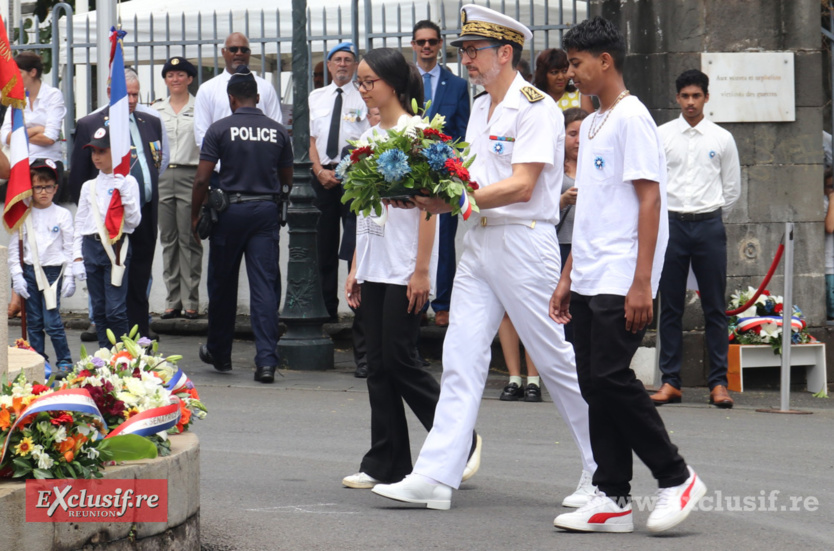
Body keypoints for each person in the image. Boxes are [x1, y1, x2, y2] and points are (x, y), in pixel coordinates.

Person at [372, 5, 596, 511]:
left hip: (522, 240)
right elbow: (467, 178)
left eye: (474, 51)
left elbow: (521, 186)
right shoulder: (478, 107)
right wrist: (423, 190)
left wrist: (450, 199)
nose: (466, 60)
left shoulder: (536, 107)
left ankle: (601, 466)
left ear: (506, 53)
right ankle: (436, 473)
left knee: (556, 361)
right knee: (461, 357)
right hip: (478, 240)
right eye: (465, 51)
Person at [551, 16, 706, 533]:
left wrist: (643, 280)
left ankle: (676, 476)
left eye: (576, 64)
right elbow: (592, 207)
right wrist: (569, 273)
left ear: (605, 61)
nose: (571, 74)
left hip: (623, 273)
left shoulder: (632, 117)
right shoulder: (594, 122)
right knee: (594, 381)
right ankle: (613, 495)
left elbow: (650, 199)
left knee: (614, 377)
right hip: (592, 270)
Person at [341, 47, 480, 491]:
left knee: (401, 359)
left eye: (368, 82)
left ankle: (462, 439)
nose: (362, 90)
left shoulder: (419, 134)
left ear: (393, 85)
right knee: (376, 365)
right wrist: (356, 267)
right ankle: (387, 462)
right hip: (375, 264)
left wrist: (422, 271)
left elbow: (430, 209)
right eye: (359, 82)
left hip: (406, 267)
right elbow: (365, 213)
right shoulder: (367, 138)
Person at [192, 65, 293, 384]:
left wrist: (195, 214)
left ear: (231, 99)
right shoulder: (277, 130)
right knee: (264, 287)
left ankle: (220, 353)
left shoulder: (219, 129)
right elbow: (287, 176)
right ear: (258, 97)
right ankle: (266, 362)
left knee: (222, 285)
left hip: (229, 212)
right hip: (264, 212)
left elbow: (202, 178)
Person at [651, 69, 741, 409]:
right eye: (685, 96)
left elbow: (731, 190)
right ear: (677, 98)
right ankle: (670, 381)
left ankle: (718, 383)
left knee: (715, 307)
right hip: (671, 225)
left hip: (708, 226)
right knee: (670, 307)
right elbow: (654, 183)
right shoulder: (661, 136)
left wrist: (709, 216)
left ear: (706, 97)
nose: (690, 102)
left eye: (696, 96)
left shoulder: (721, 138)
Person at [69, 68, 165, 341]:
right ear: (111, 93)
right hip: (107, 219)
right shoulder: (91, 123)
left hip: (142, 210)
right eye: (127, 94)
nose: (132, 100)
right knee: (110, 279)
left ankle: (139, 329)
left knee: (141, 273)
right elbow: (78, 175)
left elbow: (158, 161)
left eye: (136, 94)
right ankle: (110, 336)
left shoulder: (151, 121)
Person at [411, 20, 470, 328]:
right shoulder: (405, 82)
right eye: (421, 41)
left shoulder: (457, 85)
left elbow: (462, 133)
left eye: (432, 41)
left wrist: (453, 168)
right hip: (408, 173)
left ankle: (443, 303)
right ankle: (416, 303)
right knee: (412, 239)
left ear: (439, 45)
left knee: (444, 240)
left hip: (443, 174)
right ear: (413, 45)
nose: (426, 47)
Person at [308, 42, 369, 322]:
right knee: (324, 245)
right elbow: (309, 140)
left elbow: (369, 141)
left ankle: (358, 308)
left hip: (354, 180)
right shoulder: (316, 97)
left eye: (348, 60)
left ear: (355, 65)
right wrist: (319, 169)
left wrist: (346, 173)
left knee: (355, 245)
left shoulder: (364, 97)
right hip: (322, 178)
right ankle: (327, 311)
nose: (343, 64)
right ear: (329, 66)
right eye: (338, 60)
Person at [73, 126, 142, 349]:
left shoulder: (128, 182)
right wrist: (76, 257)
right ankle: (105, 354)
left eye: (102, 151)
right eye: (93, 152)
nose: (96, 157)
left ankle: (122, 356)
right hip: (91, 248)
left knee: (115, 309)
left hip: (117, 248)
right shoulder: (88, 186)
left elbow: (133, 222)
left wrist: (125, 195)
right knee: (99, 310)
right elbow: (80, 223)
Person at [8, 159, 75, 377]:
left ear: (55, 188)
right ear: (31, 188)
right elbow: (14, 250)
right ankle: (39, 359)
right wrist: (17, 275)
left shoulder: (62, 214)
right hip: (29, 272)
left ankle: (64, 360)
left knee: (52, 321)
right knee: (34, 321)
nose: (43, 192)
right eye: (38, 187)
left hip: (53, 273)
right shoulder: (25, 214)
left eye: (48, 187)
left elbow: (70, 246)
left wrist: (72, 274)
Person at [153, 56, 203, 321]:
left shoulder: (199, 107)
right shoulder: (156, 109)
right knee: (168, 238)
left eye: (181, 75)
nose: (175, 79)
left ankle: (191, 300)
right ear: (165, 80)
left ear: (190, 78)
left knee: (190, 237)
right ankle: (173, 300)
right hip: (162, 175)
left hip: (190, 174)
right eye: (170, 75)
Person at [194, 32, 283, 151]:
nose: (239, 53)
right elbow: (202, 134)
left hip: (259, 164)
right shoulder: (207, 89)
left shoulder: (266, 87)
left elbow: (276, 128)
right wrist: (223, 165)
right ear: (223, 52)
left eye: (244, 50)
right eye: (233, 49)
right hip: (222, 166)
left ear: (249, 53)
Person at [0, 52, 67, 190]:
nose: (15, 77)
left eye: (19, 72)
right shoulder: (17, 97)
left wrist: (18, 135)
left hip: (46, 163)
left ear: (33, 72)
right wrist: (36, 130)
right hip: (18, 162)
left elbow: (50, 137)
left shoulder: (53, 95)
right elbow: (4, 137)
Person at [533, 48, 593, 113]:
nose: (561, 77)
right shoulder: (534, 99)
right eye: (554, 72)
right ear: (543, 74)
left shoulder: (580, 96)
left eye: (564, 71)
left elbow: (590, 122)